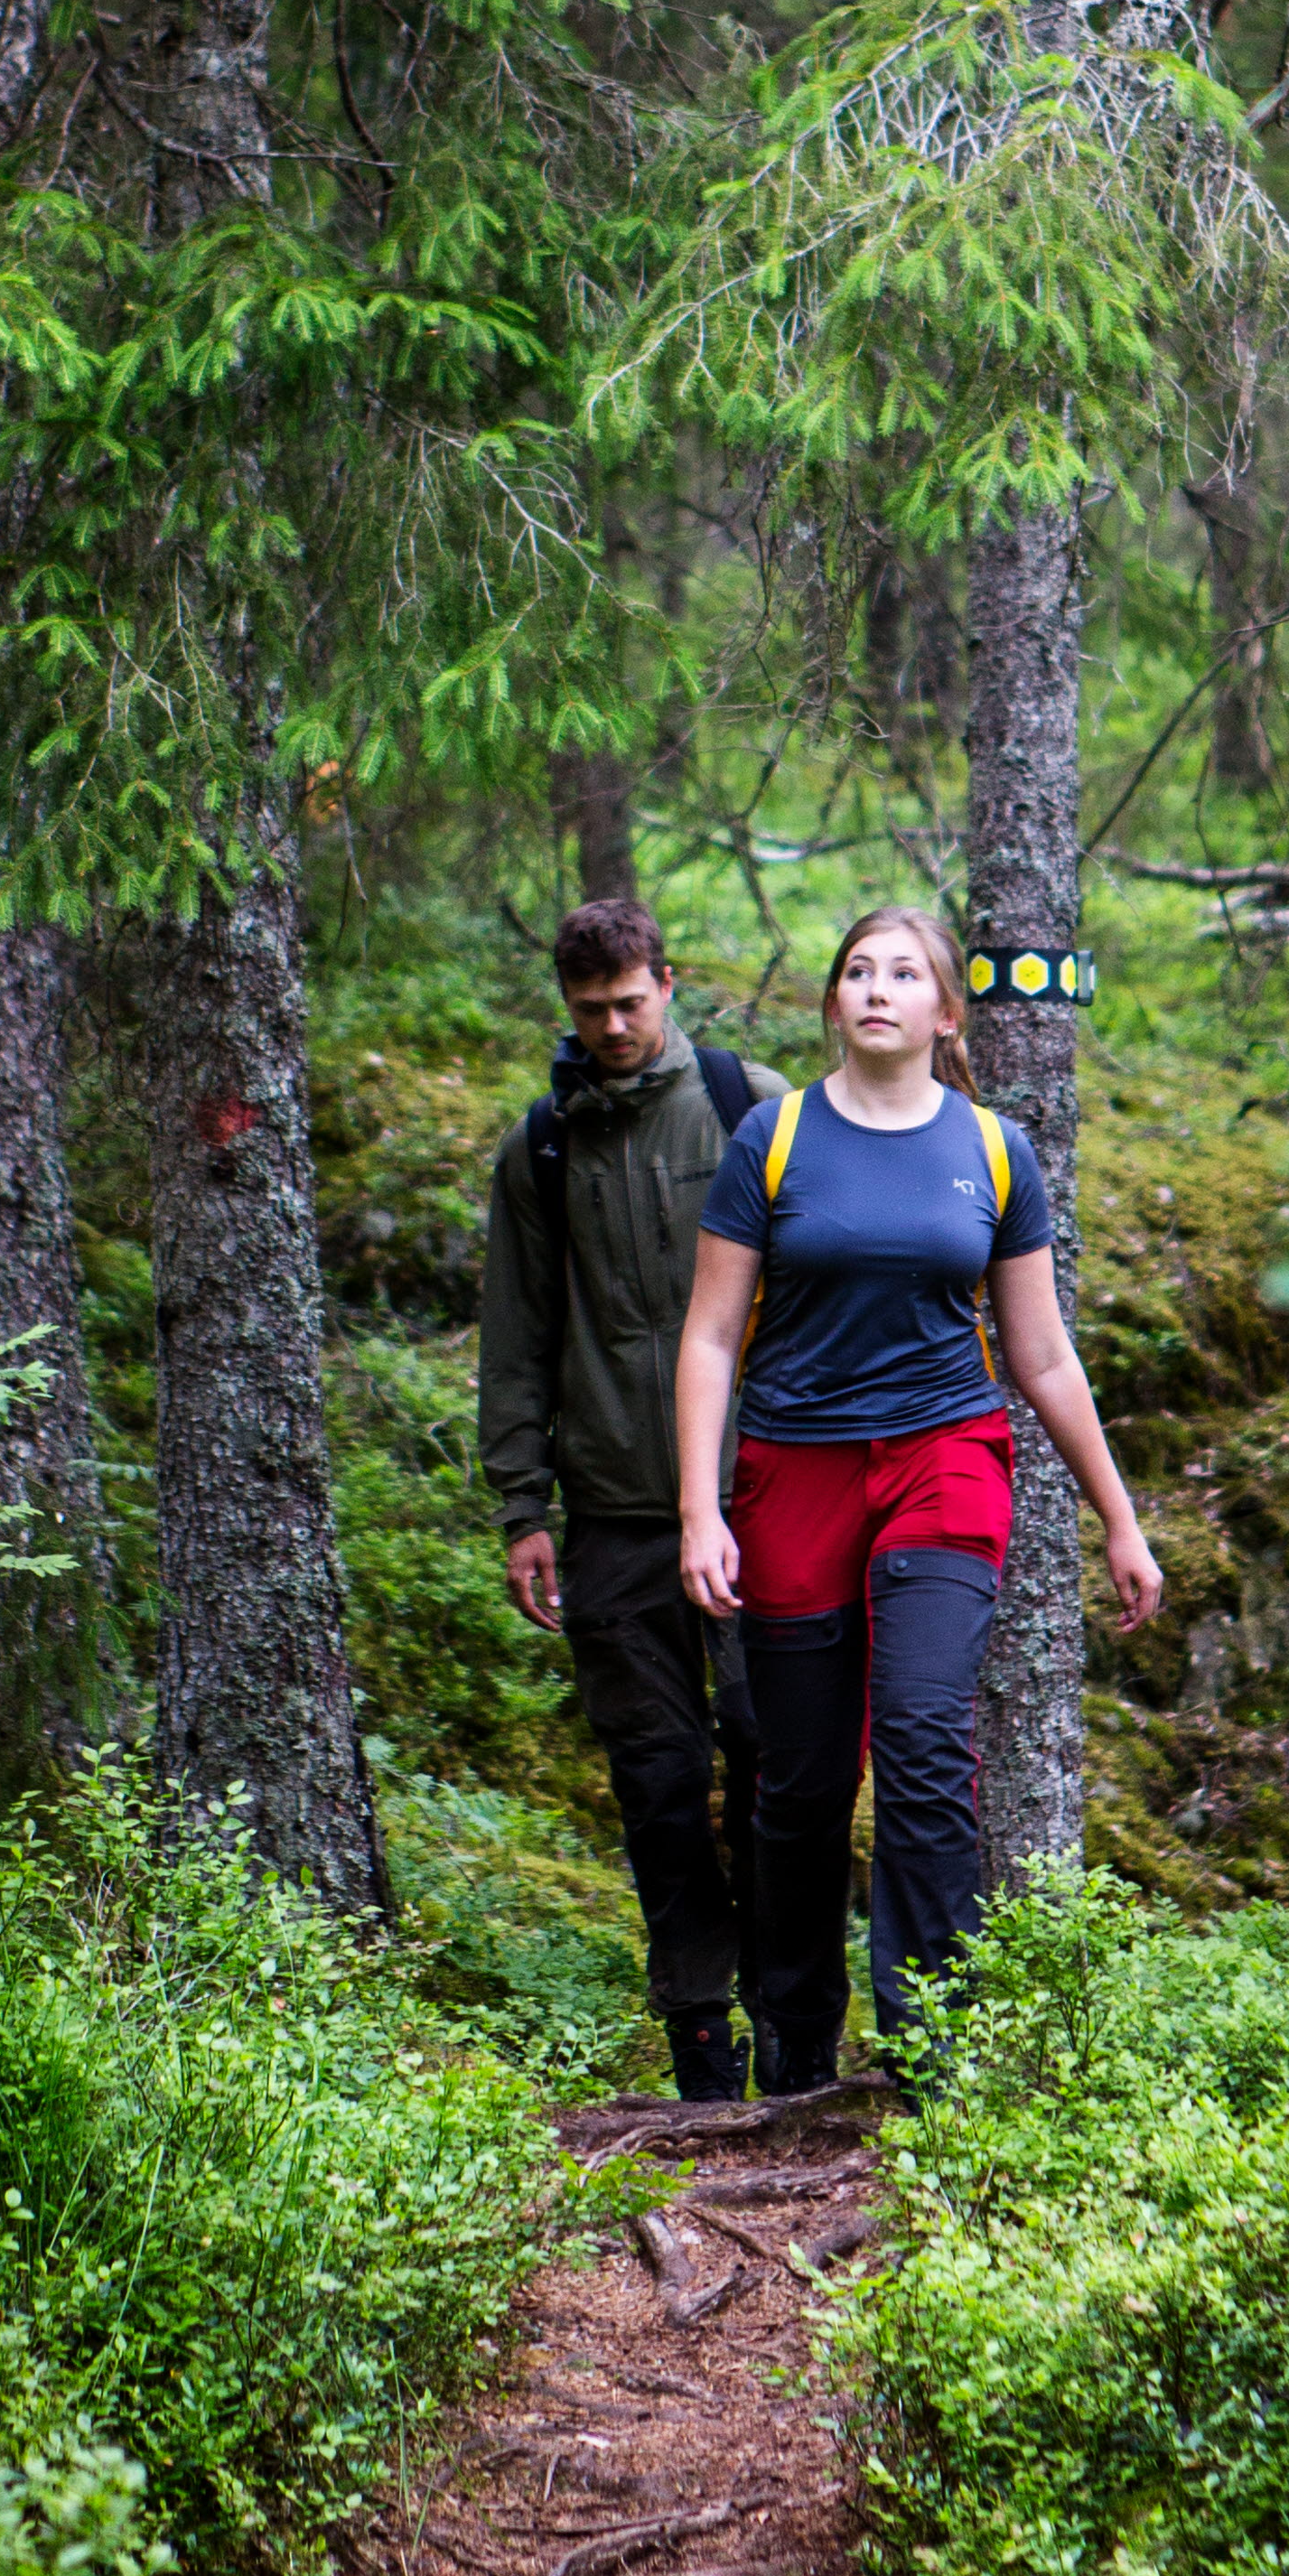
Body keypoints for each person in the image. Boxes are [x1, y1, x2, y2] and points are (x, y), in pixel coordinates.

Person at [675, 905, 1163, 2089]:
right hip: (792, 1469)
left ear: (945, 1013)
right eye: (857, 971)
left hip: (945, 1458)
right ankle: (794, 2046)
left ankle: (932, 2051)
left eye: (903, 974)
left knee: (924, 1744)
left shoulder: (994, 1149)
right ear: (834, 1003)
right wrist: (701, 1507)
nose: (876, 989)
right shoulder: (771, 1138)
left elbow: (1040, 1356)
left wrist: (1119, 1516)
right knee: (796, 1778)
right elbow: (709, 1337)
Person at [480, 898, 794, 2100]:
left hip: (758, 1502)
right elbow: (512, 1336)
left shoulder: (745, 1105)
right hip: (613, 1519)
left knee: (774, 1763)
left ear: (668, 983)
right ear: (566, 1009)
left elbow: (812, 1289)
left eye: (630, 1001)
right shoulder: (543, 1147)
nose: (612, 1026)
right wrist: (521, 1507)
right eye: (589, 1010)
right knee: (658, 1786)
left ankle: (790, 2022)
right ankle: (699, 2043)